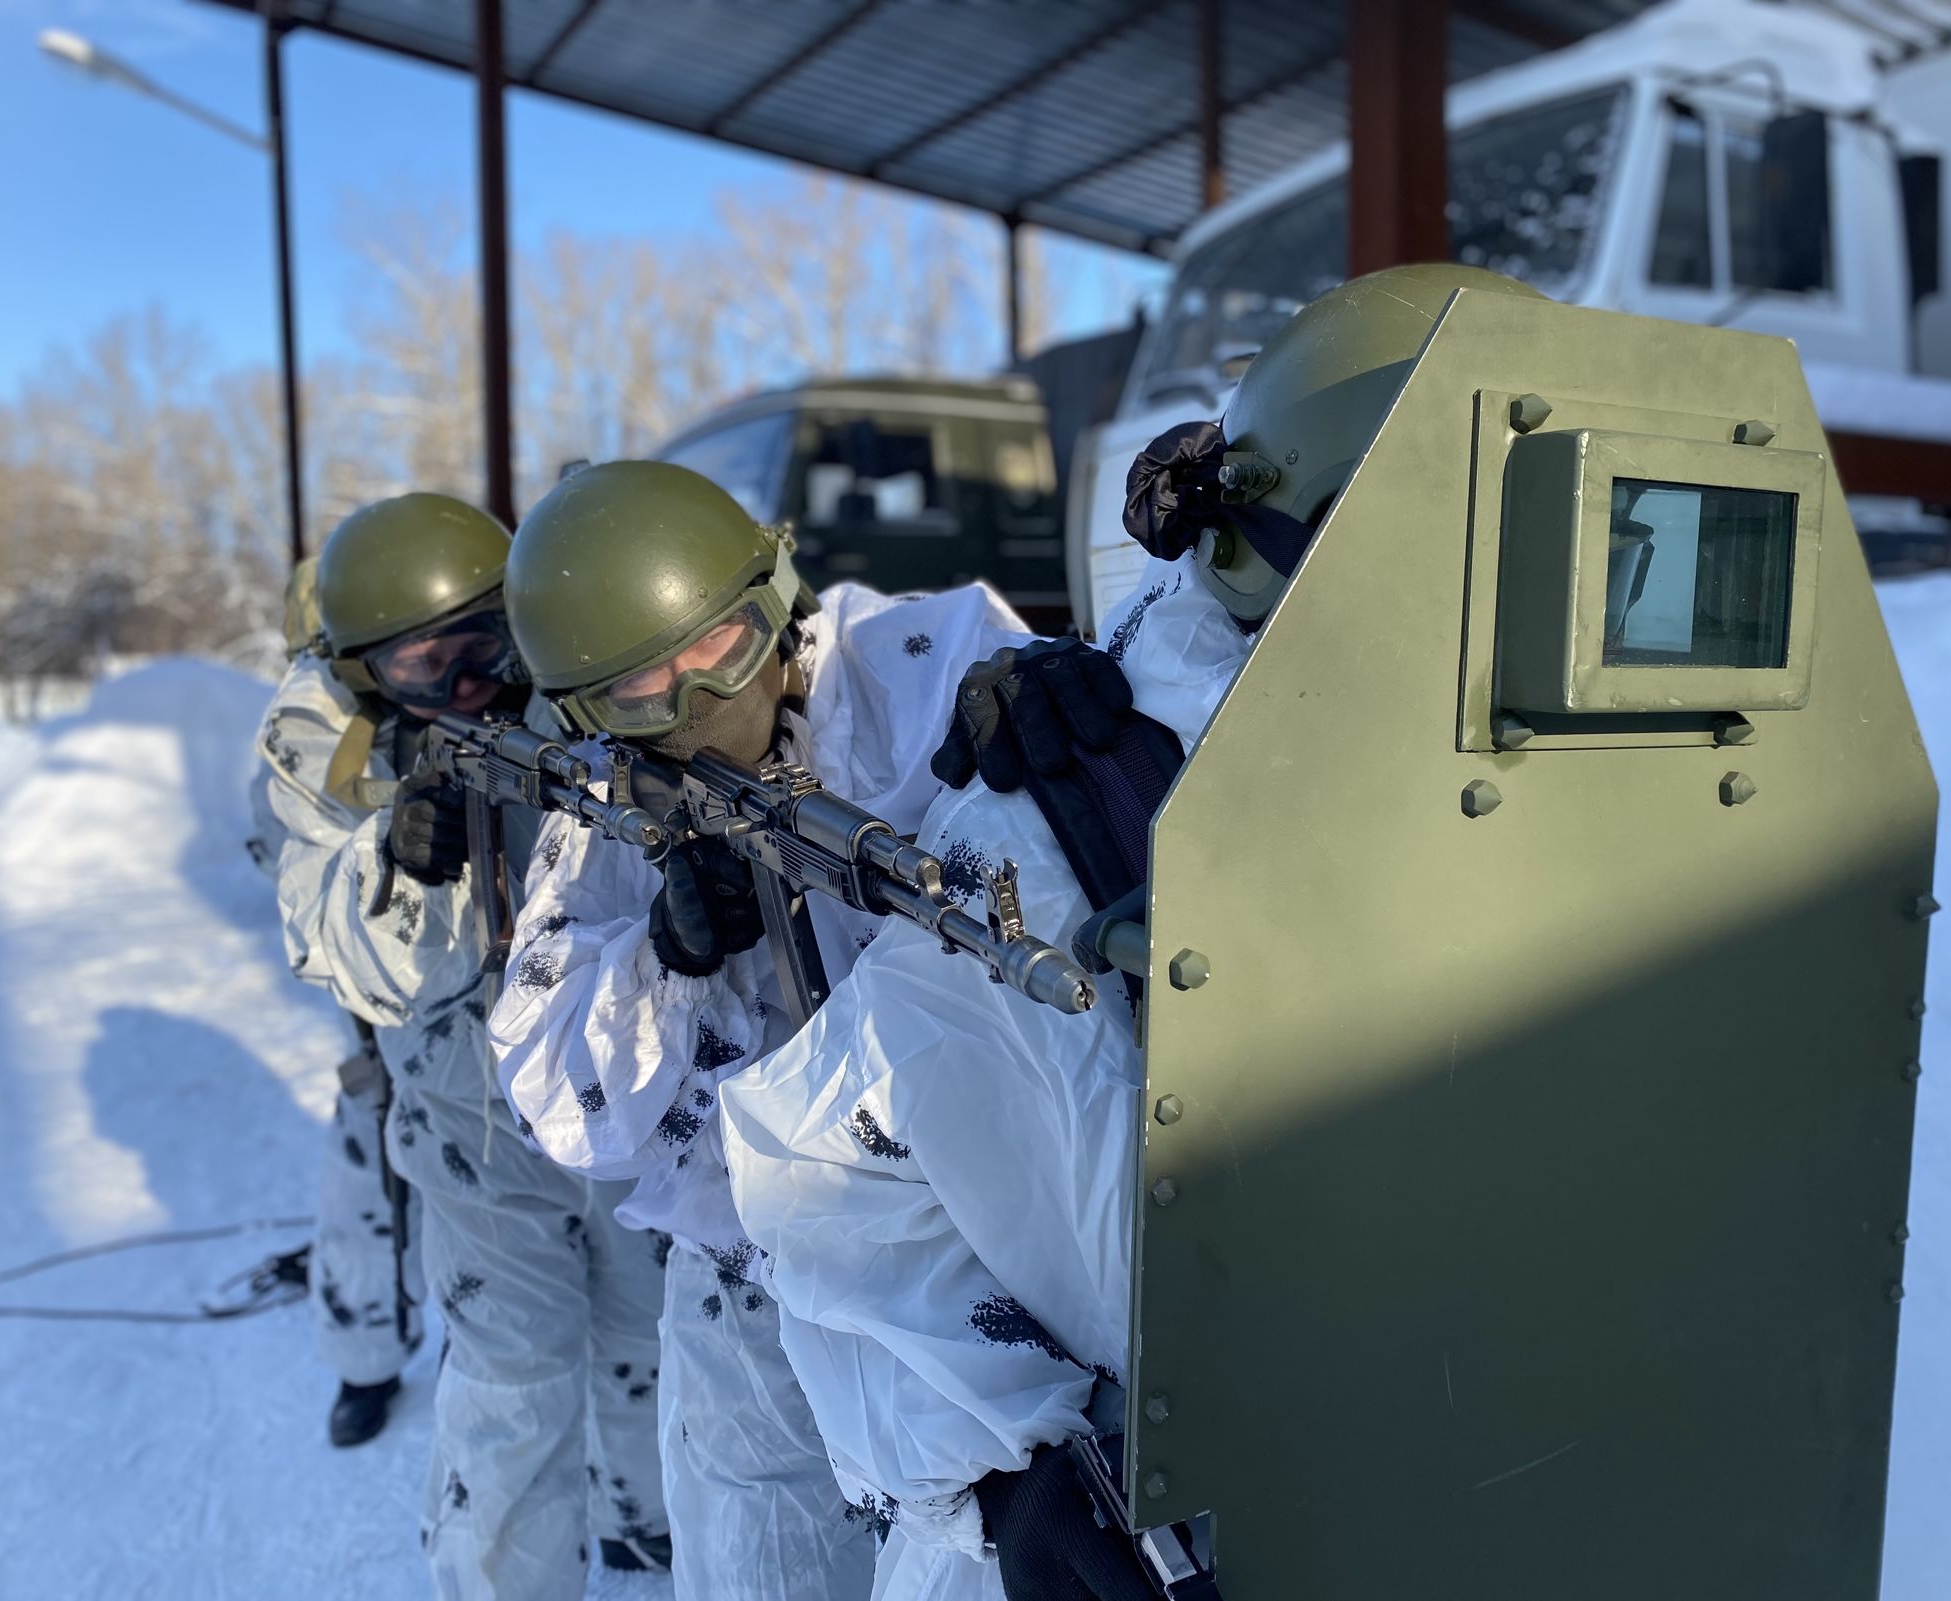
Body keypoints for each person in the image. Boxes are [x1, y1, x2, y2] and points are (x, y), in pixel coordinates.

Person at [717, 265, 1545, 1600]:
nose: (1479, 592)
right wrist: (1012, 1481)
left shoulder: (1560, 761)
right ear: (1265, 539)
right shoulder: (1074, 809)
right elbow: (829, 1181)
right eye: (1408, 530)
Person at [486, 460, 1126, 1600]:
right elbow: (549, 1090)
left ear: (775, 592)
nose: (694, 700)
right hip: (755, 1280)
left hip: (992, 1250)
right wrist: (660, 964)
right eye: (642, 689)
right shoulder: (602, 816)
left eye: (720, 645)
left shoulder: (923, 664)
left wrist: (1076, 701)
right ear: (586, 711)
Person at [261, 491, 672, 1599]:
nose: (466, 684)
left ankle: (640, 1514)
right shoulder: (327, 738)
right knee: (512, 1371)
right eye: (419, 667)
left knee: (648, 1323)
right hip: (468, 1112)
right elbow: (327, 935)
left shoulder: (576, 674)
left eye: (484, 642)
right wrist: (396, 859)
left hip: (617, 1086)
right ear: (362, 672)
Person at [247, 554, 422, 1450]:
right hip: (374, 996)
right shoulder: (310, 720)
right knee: (368, 1174)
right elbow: (289, 849)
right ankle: (366, 1358)